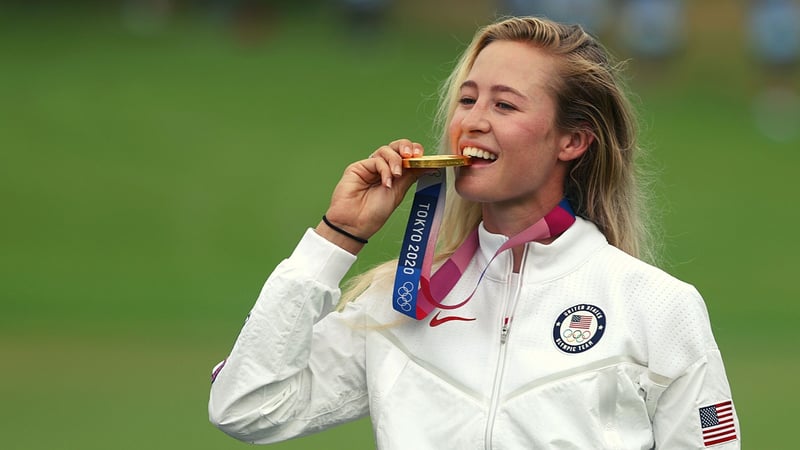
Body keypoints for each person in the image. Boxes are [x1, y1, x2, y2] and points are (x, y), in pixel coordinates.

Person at [208, 16, 740, 449]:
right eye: (467, 100)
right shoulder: (401, 300)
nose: (472, 121)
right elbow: (247, 406)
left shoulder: (657, 306)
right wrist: (337, 236)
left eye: (504, 105)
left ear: (572, 141)